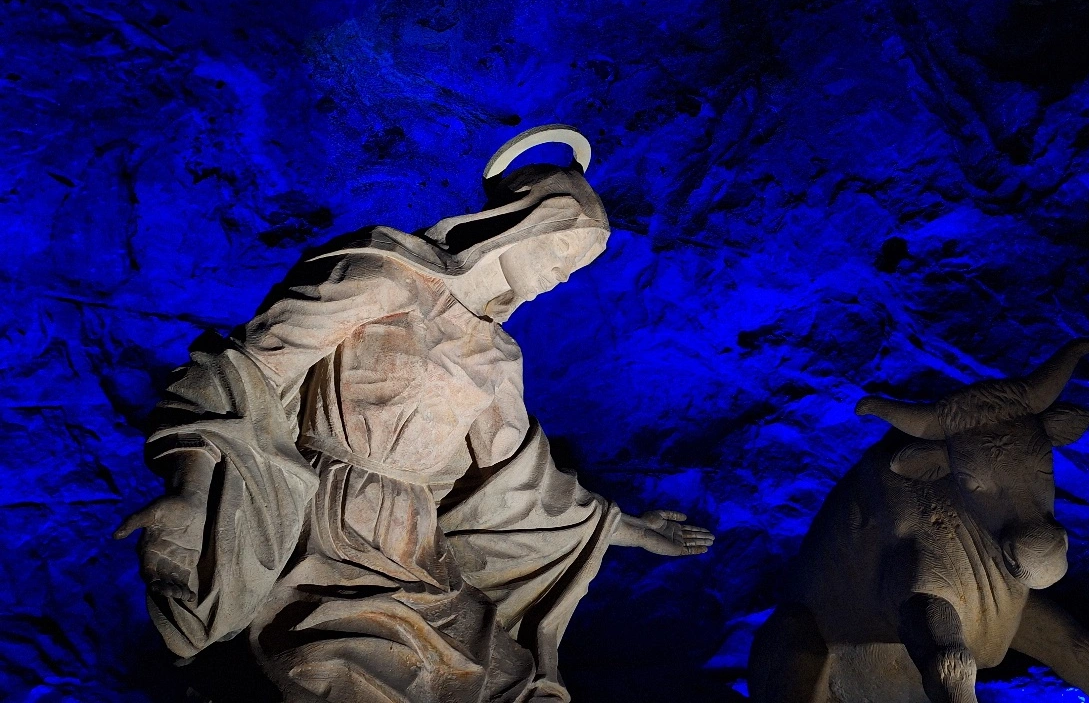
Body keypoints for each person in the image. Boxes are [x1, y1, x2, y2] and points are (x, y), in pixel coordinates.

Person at [114, 125, 714, 703]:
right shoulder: (384, 277)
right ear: (525, 222)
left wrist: (628, 529)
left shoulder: (498, 355)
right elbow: (246, 369)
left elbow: (521, 485)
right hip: (320, 534)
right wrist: (196, 485)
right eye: (564, 250)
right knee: (341, 673)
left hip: (420, 555)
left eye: (577, 267)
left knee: (506, 685)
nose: (563, 275)